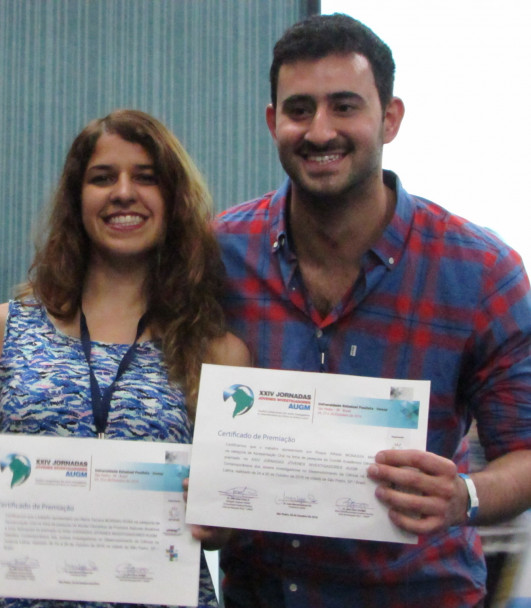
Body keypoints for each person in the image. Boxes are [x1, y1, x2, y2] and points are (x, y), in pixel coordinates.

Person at [214, 12, 531, 607]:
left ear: (390, 118)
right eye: (299, 109)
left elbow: (526, 451)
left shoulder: (481, 271)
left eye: (345, 106)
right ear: (271, 121)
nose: (320, 131)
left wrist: (466, 493)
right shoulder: (217, 255)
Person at [0, 108, 250, 608]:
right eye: (102, 178)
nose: (123, 192)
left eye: (146, 178)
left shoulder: (218, 354)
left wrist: (219, 518)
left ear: (174, 200)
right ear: (77, 200)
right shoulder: (4, 330)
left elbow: (222, 526)